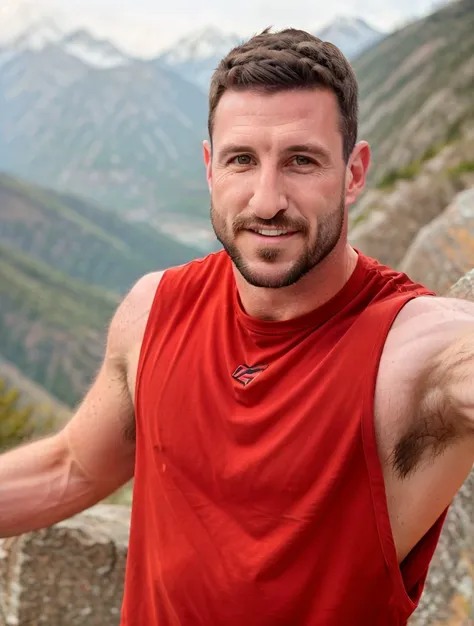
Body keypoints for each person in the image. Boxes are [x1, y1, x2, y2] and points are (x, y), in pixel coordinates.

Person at [1, 27, 473, 626]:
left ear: (355, 173)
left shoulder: (414, 351)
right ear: (209, 167)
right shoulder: (153, 310)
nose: (266, 199)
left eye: (301, 161)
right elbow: (70, 468)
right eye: (242, 160)